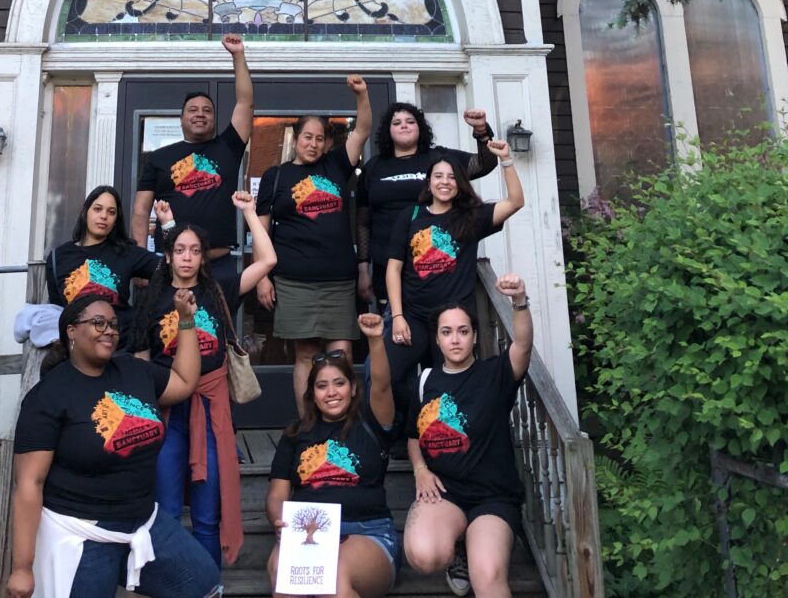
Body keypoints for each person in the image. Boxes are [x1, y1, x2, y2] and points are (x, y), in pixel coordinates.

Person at [7, 293, 220, 598]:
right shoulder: (48, 397)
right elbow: (29, 482)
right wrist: (22, 567)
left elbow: (184, 381)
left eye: (113, 324)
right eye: (98, 323)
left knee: (202, 582)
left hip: (143, 520)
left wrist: (186, 320)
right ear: (71, 331)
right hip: (83, 530)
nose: (109, 330)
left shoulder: (134, 371)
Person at [133, 191, 277, 568]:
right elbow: (140, 362)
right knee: (163, 516)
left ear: (202, 256)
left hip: (212, 414)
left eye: (194, 250)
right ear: (167, 255)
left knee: (207, 518)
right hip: (167, 416)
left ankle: (209, 587)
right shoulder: (152, 300)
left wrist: (248, 212)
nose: (186, 257)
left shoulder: (218, 291)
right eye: (179, 249)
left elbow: (268, 260)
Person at [404, 276, 533, 598]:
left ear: (474, 336)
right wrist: (420, 469)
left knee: (486, 576)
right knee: (424, 553)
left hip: (492, 497)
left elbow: (523, 345)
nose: (455, 339)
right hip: (446, 493)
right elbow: (411, 435)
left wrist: (519, 301)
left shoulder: (495, 374)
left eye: (463, 331)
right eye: (447, 332)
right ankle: (456, 547)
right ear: (437, 339)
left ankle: (480, 542)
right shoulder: (425, 382)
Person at [255, 75, 372, 415]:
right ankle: (309, 426)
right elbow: (262, 233)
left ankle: (342, 426)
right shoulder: (275, 177)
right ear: (296, 137)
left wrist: (361, 94)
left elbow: (362, 129)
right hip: (294, 282)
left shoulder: (336, 166)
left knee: (342, 358)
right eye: (308, 136)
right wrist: (262, 276)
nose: (314, 144)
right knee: (305, 356)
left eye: (320, 138)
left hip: (338, 281)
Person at [266, 314, 399, 598]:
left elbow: (383, 385)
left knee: (333, 579)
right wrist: (279, 521)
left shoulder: (372, 422)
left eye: (339, 383)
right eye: (322, 386)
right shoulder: (295, 435)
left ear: (352, 388)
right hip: (306, 537)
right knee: (284, 578)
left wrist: (375, 340)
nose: (331, 392)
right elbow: (277, 495)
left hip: (366, 532)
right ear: (311, 394)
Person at [384, 139, 522, 413]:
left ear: (459, 183)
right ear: (429, 182)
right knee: (387, 375)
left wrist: (506, 160)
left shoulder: (471, 217)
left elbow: (515, 202)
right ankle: (411, 426)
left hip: (453, 321)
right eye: (438, 176)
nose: (444, 182)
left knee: (450, 387)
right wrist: (398, 316)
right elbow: (394, 268)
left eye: (451, 177)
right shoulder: (410, 216)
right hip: (413, 317)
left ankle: (438, 444)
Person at [132, 33, 254, 274]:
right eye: (193, 110)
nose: (200, 114)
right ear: (181, 119)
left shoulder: (228, 146)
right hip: (171, 266)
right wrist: (140, 263)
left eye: (207, 110)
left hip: (218, 265)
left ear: (214, 118)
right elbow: (140, 211)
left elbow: (245, 103)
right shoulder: (158, 158)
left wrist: (238, 55)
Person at [356, 103, 498, 310]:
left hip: (435, 265)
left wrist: (482, 131)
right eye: (397, 123)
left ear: (420, 127)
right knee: (395, 328)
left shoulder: (438, 159)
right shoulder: (373, 167)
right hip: (387, 264)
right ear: (388, 130)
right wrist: (362, 269)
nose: (404, 126)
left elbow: (484, 164)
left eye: (410, 121)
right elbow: (362, 221)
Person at [44, 185, 161, 348]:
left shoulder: (126, 252)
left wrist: (168, 226)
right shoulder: (59, 257)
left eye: (111, 212)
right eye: (98, 209)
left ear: (115, 221)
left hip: (121, 348)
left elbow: (170, 271)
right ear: (85, 212)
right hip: (79, 351)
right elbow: (57, 308)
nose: (104, 216)